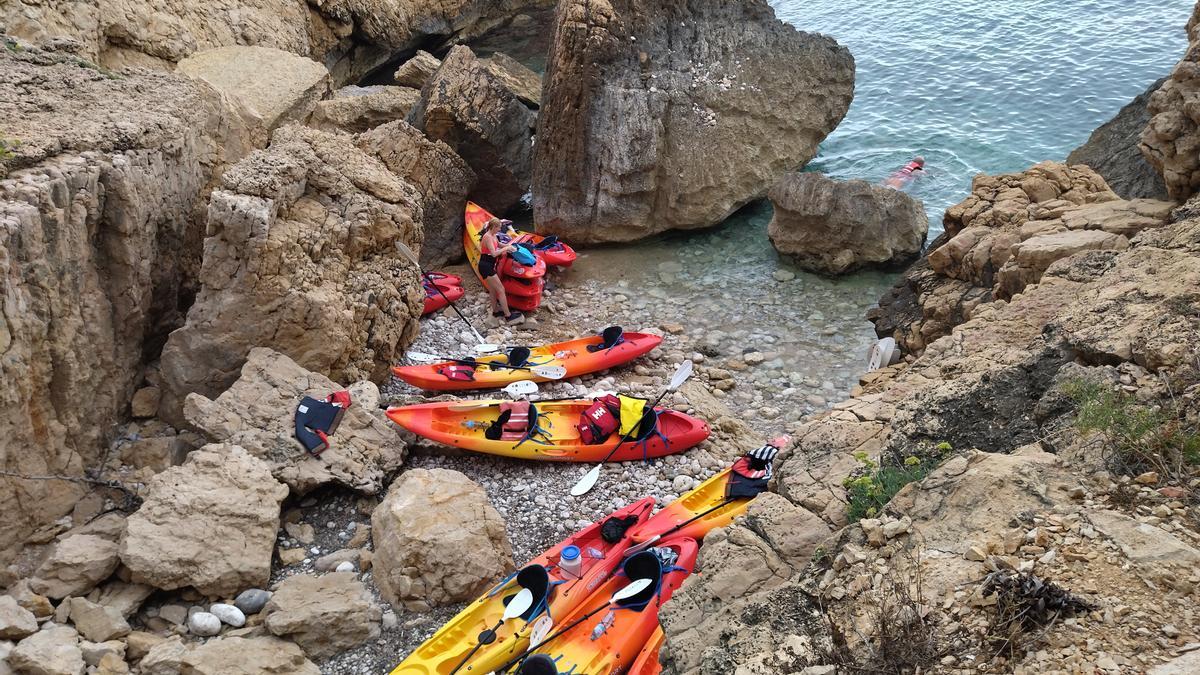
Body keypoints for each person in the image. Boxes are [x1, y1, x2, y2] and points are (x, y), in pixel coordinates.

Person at [479, 217, 523, 323]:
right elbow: (494, 253)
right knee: (501, 289)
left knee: (493, 290)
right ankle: (508, 316)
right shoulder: (487, 237)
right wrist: (506, 249)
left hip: (488, 264)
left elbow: (499, 245)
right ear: (493, 227)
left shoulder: (493, 235)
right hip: (485, 266)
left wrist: (509, 246)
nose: (499, 230)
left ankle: (495, 311)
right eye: (498, 228)